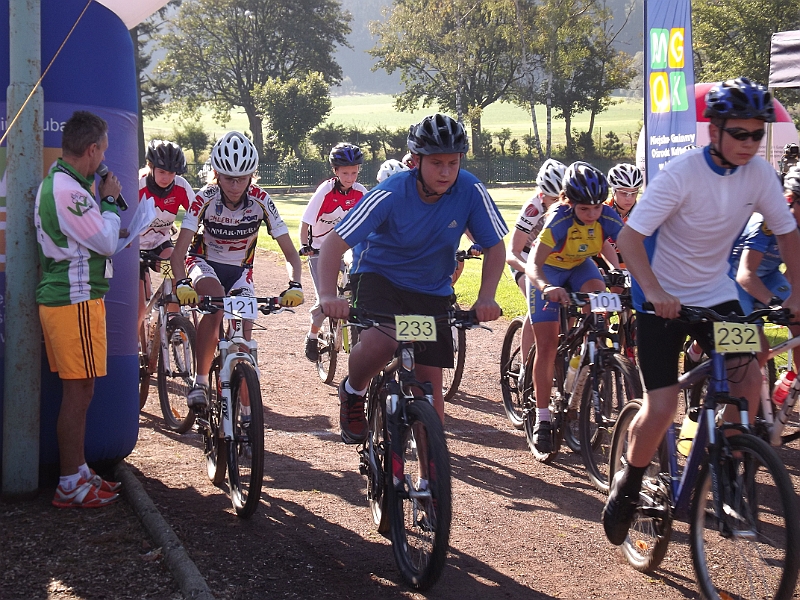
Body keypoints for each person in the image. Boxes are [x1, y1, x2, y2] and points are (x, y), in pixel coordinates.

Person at [603, 77, 800, 545]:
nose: (750, 143)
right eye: (740, 133)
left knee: (748, 379)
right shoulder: (682, 174)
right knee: (663, 405)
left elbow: (788, 232)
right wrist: (655, 291)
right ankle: (629, 483)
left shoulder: (759, 175)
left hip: (715, 293)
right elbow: (629, 239)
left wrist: (796, 295)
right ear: (714, 131)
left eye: (757, 134)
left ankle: (727, 473)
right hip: (659, 298)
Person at [317, 113, 507, 442]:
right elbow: (334, 244)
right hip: (379, 276)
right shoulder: (391, 192)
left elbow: (495, 246)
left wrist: (486, 296)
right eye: (436, 163)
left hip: (431, 288)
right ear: (416, 161)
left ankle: (430, 469)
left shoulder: (471, 190)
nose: (446, 172)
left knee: (429, 387)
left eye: (453, 162)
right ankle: (354, 390)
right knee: (384, 340)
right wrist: (327, 296)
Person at [170, 131, 304, 409]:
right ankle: (201, 382)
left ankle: (246, 413)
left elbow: (291, 254)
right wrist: (182, 282)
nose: (234, 185)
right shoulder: (204, 198)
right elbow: (178, 253)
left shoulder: (262, 200)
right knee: (216, 304)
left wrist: (295, 284)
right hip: (203, 264)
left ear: (252, 176)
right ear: (216, 174)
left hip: (241, 272)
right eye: (228, 178)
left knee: (243, 340)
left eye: (242, 178)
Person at [35, 110, 124, 508]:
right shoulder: (67, 191)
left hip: (74, 300)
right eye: (102, 150)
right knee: (78, 392)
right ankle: (70, 482)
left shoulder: (67, 183)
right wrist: (110, 202)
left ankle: (79, 471)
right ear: (91, 150)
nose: (103, 158)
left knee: (82, 389)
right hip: (74, 300)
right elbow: (106, 241)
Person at [525, 161, 624, 454]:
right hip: (548, 271)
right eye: (584, 209)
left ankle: (588, 355)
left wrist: (621, 273)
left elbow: (631, 246)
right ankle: (543, 417)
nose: (592, 214)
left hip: (580, 267)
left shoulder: (606, 215)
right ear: (569, 202)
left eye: (597, 208)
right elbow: (533, 264)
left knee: (601, 298)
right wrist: (546, 288)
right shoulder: (559, 219)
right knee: (547, 346)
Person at [299, 143, 368, 362]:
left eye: (354, 173)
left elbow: (372, 220)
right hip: (320, 249)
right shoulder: (325, 191)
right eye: (345, 173)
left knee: (364, 291)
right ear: (335, 171)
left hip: (347, 250)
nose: (350, 178)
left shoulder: (361, 192)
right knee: (325, 300)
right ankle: (312, 336)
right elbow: (305, 222)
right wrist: (305, 245)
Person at [506, 158, 566, 384]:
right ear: (542, 196)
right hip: (523, 259)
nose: (560, 205)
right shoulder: (533, 209)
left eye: (563, 198)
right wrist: (530, 273)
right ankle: (525, 368)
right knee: (536, 309)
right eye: (554, 200)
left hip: (550, 262)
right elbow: (512, 253)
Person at [137, 140, 194, 326]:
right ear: (150, 166)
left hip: (160, 242)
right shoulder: (138, 185)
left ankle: (172, 318)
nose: (166, 177)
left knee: (175, 266)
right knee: (138, 309)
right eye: (162, 172)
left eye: (171, 173)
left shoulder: (181, 186)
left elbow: (197, 215)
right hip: (134, 247)